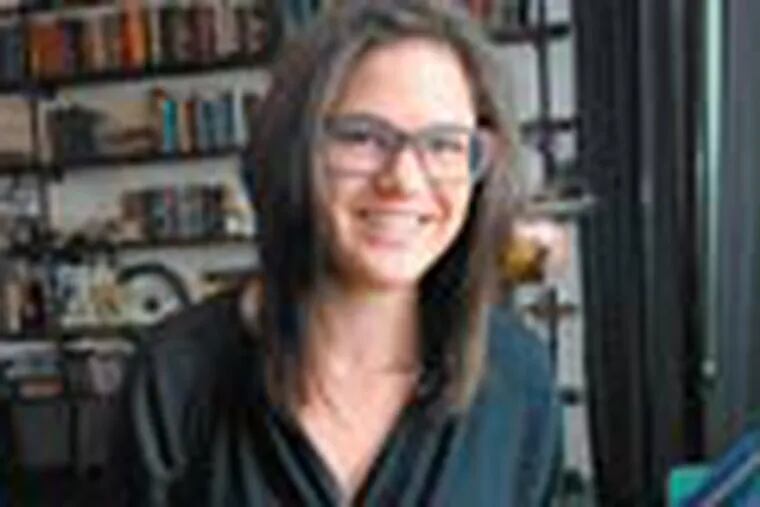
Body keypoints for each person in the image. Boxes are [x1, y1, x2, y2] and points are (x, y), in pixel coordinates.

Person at [109, 1, 561, 505]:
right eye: (362, 138)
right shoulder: (174, 379)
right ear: (293, 152)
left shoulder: (519, 379)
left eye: (443, 145)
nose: (404, 180)